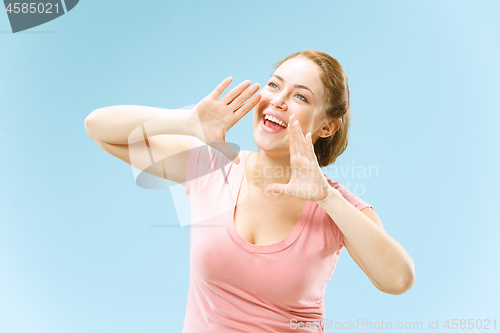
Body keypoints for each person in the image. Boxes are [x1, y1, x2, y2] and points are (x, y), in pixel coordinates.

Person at [84, 50, 415, 332]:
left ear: (326, 126)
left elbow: (398, 279)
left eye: (300, 96)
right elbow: (98, 127)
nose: (278, 101)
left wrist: (326, 198)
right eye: (274, 85)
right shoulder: (214, 169)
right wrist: (186, 123)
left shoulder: (336, 206)